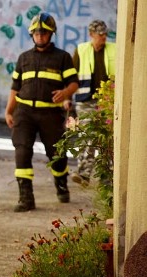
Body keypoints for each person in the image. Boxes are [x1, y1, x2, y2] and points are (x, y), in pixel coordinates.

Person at [4, 12, 79, 212]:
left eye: (44, 33)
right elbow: (15, 87)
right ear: (32, 35)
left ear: (51, 34)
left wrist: (65, 93)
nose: (40, 36)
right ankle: (25, 198)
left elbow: (73, 83)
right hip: (24, 113)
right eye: (36, 33)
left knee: (57, 154)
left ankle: (61, 184)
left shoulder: (62, 57)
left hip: (51, 115)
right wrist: (9, 111)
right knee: (22, 150)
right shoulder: (24, 58)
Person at [69, 19, 116, 186]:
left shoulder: (114, 49)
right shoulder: (81, 50)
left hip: (108, 101)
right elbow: (72, 77)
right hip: (85, 99)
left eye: (105, 34)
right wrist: (68, 98)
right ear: (91, 35)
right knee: (88, 135)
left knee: (106, 138)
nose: (103, 37)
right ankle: (83, 173)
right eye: (99, 34)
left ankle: (106, 177)